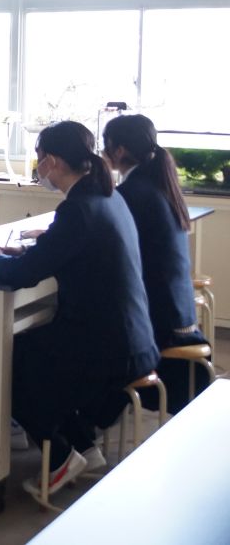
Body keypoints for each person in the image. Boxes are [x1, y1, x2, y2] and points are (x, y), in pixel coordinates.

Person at [0, 121, 158, 497]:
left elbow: (22, 275)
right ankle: (84, 449)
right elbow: (62, 250)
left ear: (52, 161)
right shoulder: (107, 198)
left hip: (107, 350)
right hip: (136, 340)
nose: (39, 168)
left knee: (11, 360)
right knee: (33, 351)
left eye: (39, 159)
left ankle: (61, 457)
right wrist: (29, 251)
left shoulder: (77, 209)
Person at [103, 113, 209, 411]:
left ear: (119, 150)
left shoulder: (131, 194)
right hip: (179, 318)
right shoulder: (160, 187)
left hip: (159, 326)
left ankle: (83, 422)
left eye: (105, 144)